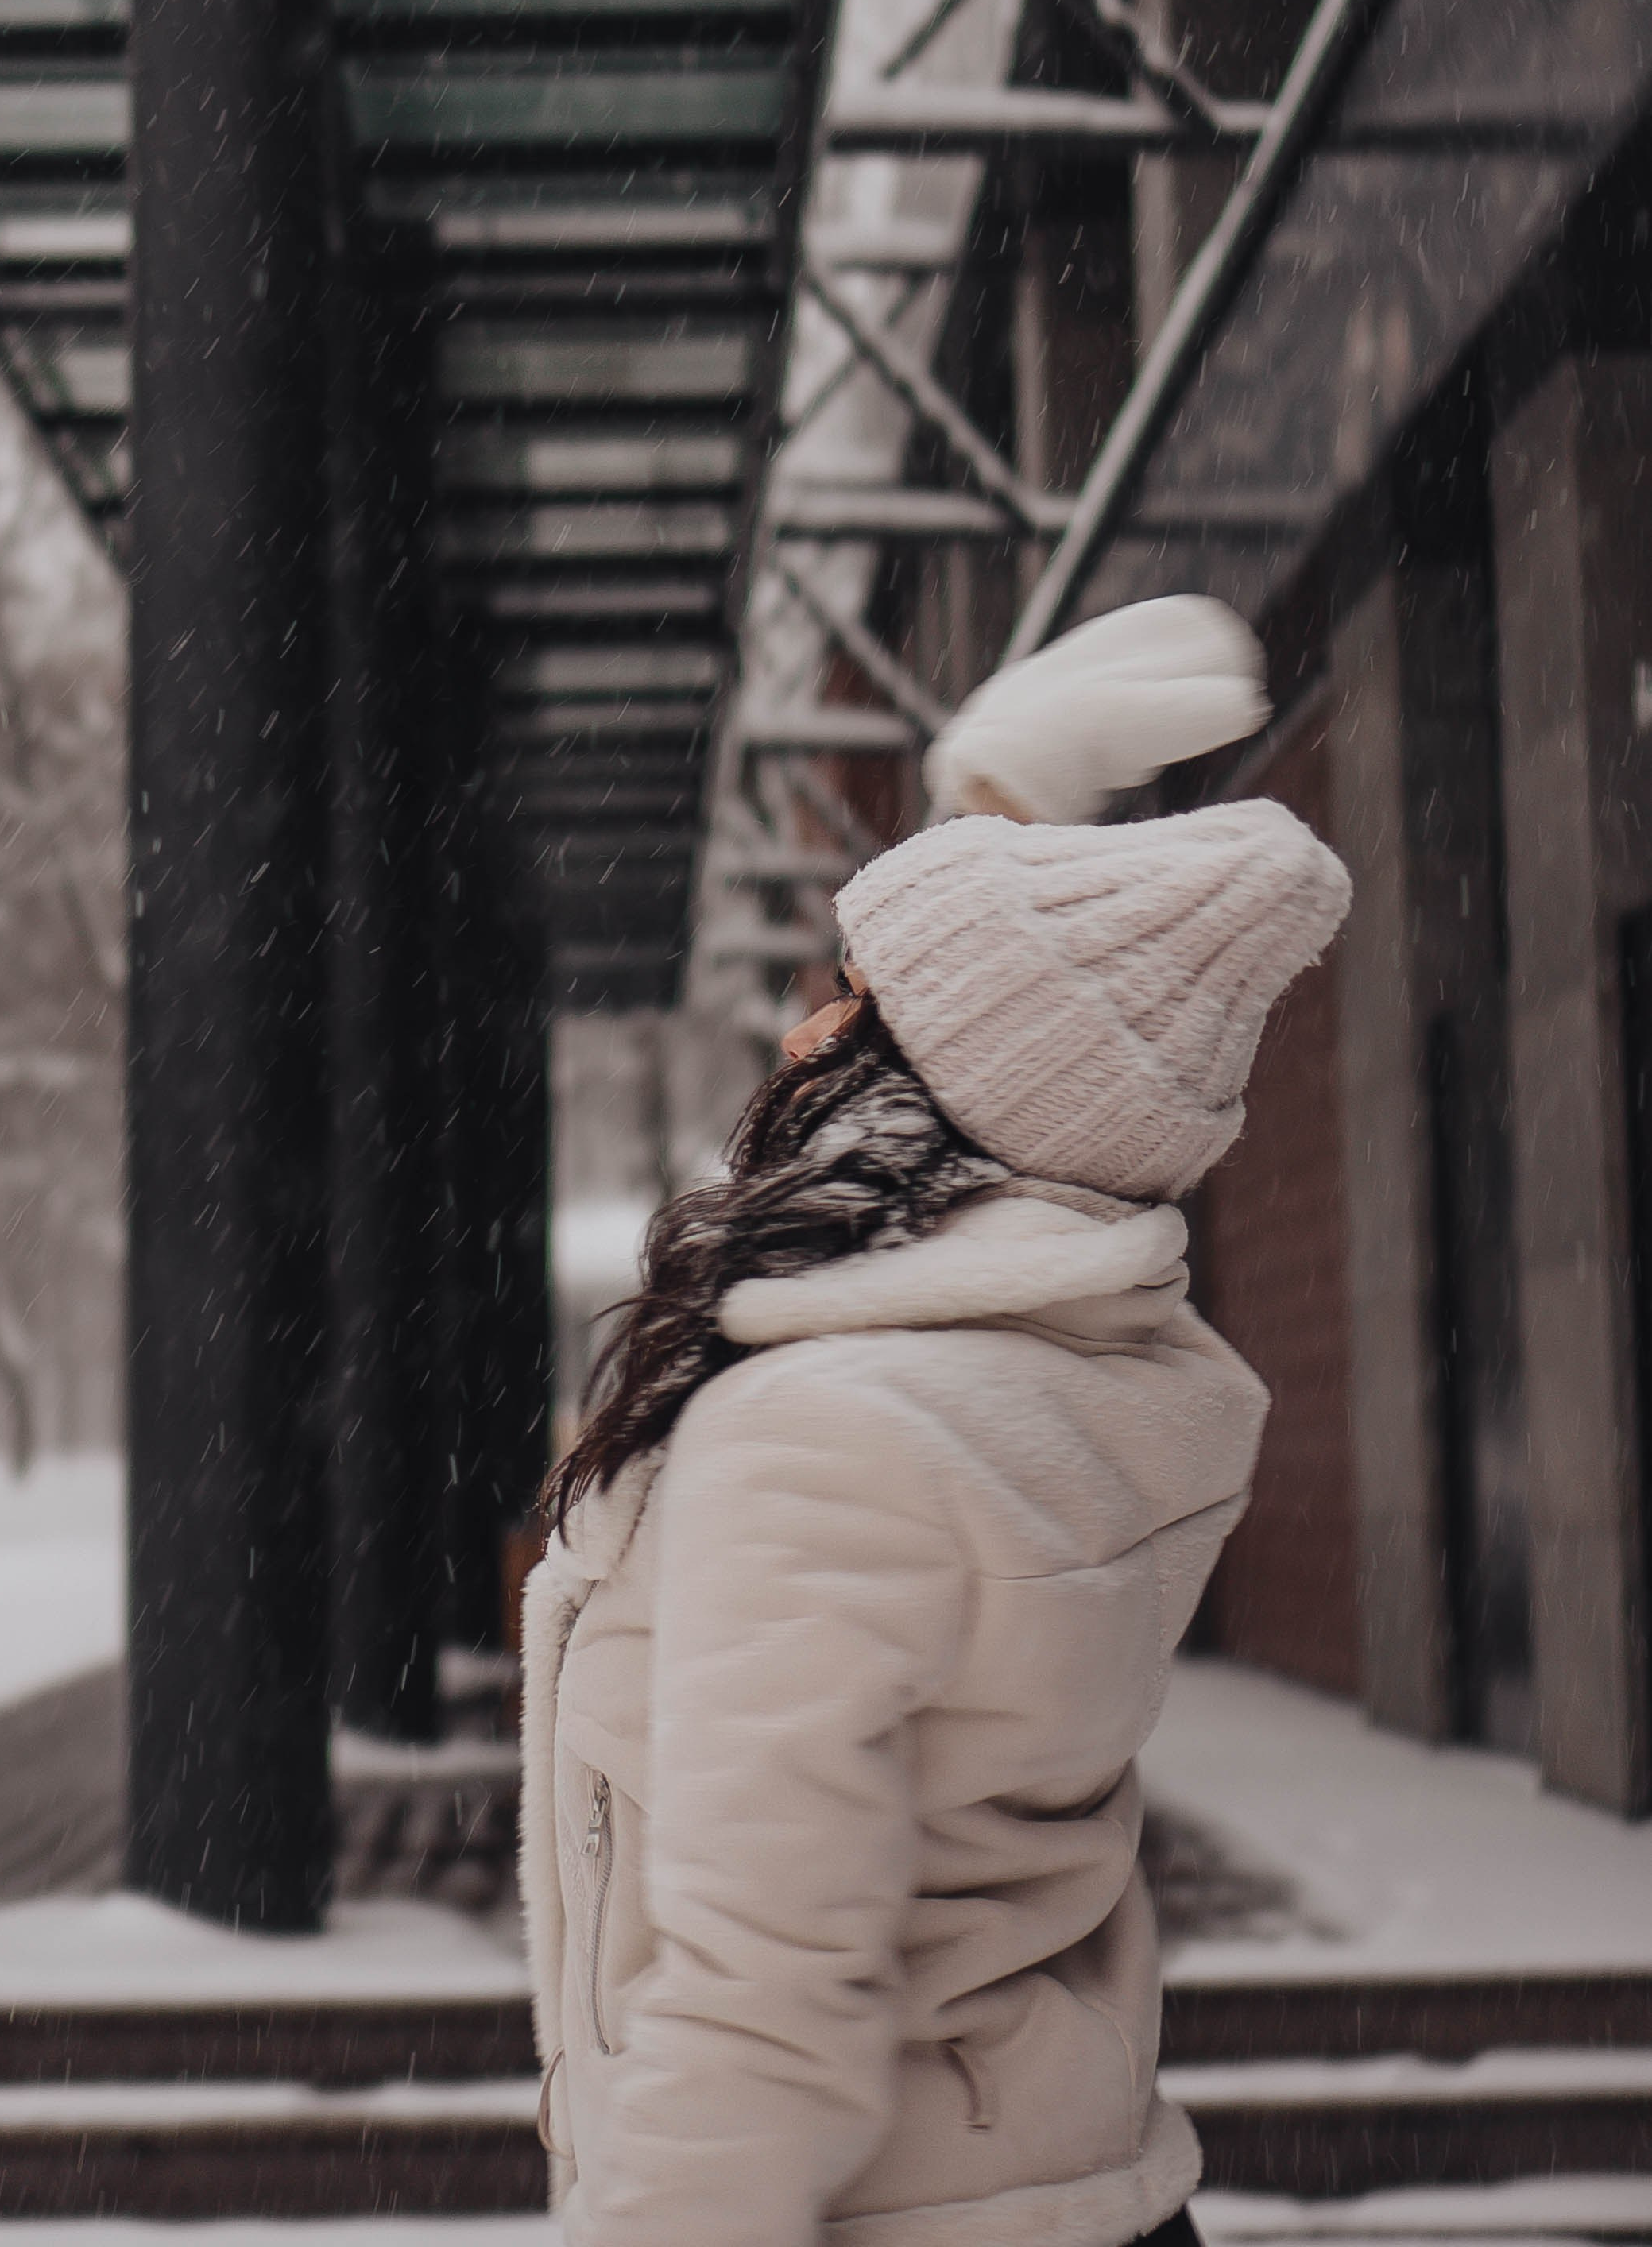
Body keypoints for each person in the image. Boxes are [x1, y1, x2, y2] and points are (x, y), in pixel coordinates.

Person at [521, 595, 1352, 2247]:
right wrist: (995, 820)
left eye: (855, 1002)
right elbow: (1037, 1095)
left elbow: (765, 2015)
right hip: (1066, 2188)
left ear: (917, 1091)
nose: (803, 1028)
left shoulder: (820, 1439)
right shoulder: (1066, 1379)